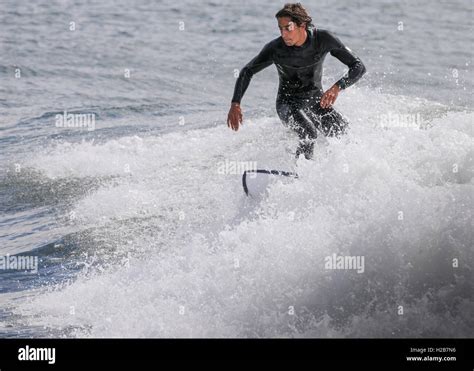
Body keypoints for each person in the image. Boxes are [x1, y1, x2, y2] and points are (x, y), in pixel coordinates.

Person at [227, 3, 366, 159]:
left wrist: (337, 87)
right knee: (309, 133)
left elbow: (358, 66)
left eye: (288, 28)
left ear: (302, 25)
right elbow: (247, 71)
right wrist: (235, 103)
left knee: (341, 130)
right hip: (287, 103)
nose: (284, 34)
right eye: (280, 29)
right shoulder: (275, 49)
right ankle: (299, 174)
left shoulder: (323, 39)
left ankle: (336, 170)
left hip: (316, 101)